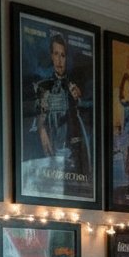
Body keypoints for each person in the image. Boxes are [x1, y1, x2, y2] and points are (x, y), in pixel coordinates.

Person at [34, 32, 92, 182]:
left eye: (63, 55)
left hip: (74, 146)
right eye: (56, 54)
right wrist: (42, 131)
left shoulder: (74, 85)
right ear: (51, 56)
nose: (59, 60)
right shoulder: (44, 87)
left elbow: (88, 109)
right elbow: (40, 117)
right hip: (53, 146)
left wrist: (79, 99)